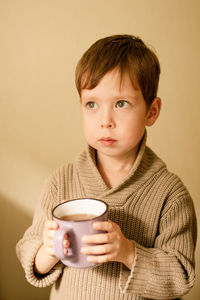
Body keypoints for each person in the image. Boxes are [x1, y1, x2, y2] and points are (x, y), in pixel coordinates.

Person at [16, 34, 197, 300]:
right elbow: (29, 254)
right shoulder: (61, 181)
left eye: (121, 103)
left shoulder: (171, 195)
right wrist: (48, 251)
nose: (105, 120)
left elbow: (181, 276)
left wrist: (128, 252)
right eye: (92, 104)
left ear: (152, 111)